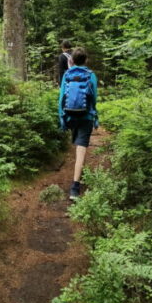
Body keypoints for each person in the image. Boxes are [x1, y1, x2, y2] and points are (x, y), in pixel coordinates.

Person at [58, 47, 98, 200]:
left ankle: (77, 170)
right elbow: (94, 99)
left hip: (70, 116)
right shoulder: (91, 75)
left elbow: (61, 97)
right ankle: (75, 188)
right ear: (86, 60)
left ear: (72, 60)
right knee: (80, 151)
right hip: (86, 116)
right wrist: (95, 116)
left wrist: (62, 117)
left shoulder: (67, 74)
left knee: (76, 143)